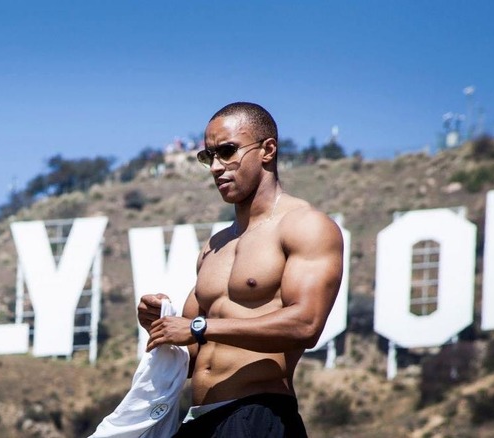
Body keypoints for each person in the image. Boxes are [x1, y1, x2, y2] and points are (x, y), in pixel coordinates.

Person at [137, 102, 344, 437]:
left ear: (268, 150)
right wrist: (160, 327)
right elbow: (191, 358)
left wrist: (200, 327)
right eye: (209, 156)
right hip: (197, 421)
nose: (216, 167)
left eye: (228, 151)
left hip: (257, 416)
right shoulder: (214, 246)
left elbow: (306, 325)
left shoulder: (305, 226)